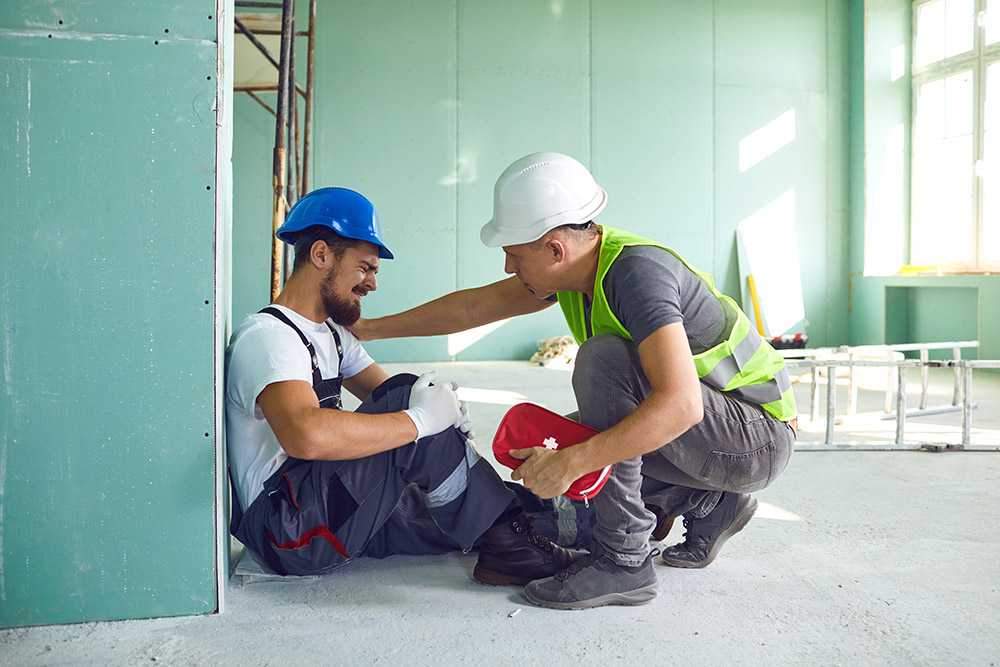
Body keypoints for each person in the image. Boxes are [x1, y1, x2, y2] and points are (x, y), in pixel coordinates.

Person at [351, 153, 798, 610]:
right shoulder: (574, 271)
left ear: (554, 248)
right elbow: (472, 309)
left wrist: (574, 462)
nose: (508, 267)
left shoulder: (637, 277)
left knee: (601, 368)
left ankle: (624, 563)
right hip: (718, 434)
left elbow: (682, 404)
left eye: (513, 254)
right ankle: (707, 501)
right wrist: (366, 329)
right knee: (560, 473)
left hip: (755, 437)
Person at [226, 186, 576, 584]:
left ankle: (560, 525)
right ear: (321, 254)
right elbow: (306, 436)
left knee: (457, 510)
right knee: (412, 411)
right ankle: (510, 549)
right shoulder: (270, 336)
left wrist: (442, 414)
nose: (372, 283)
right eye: (364, 267)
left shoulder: (331, 335)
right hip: (288, 529)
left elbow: (399, 393)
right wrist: (423, 422)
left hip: (326, 502)